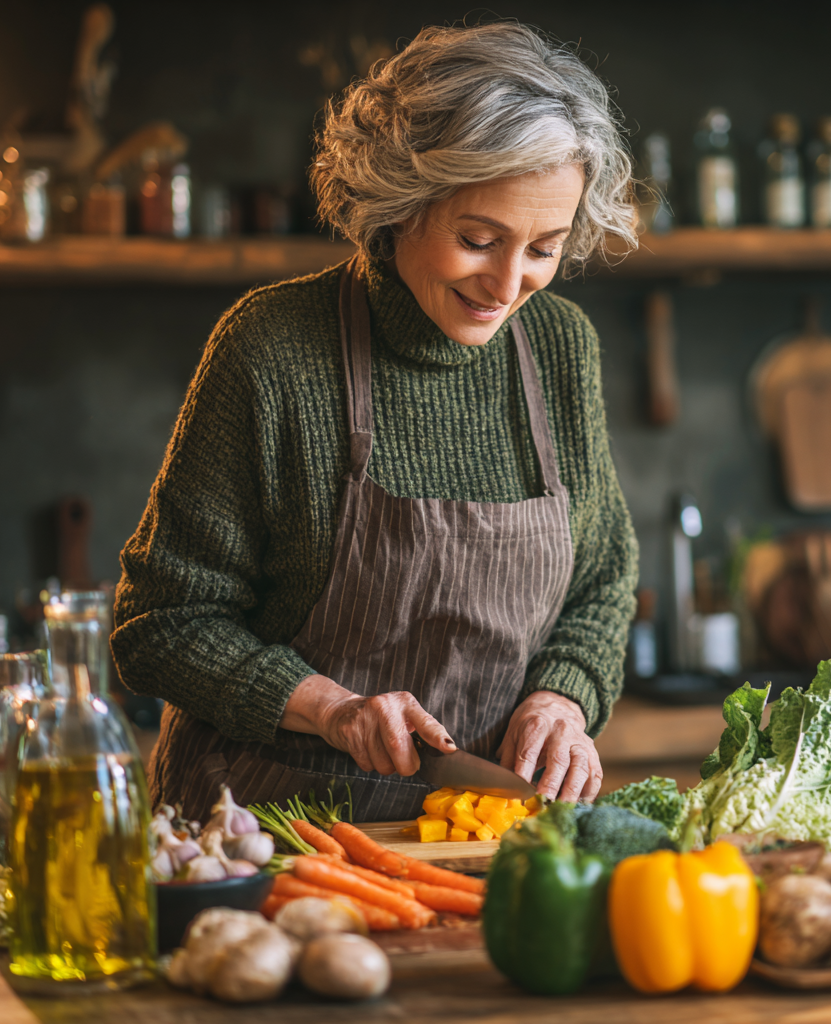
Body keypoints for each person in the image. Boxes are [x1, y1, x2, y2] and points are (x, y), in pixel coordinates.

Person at [111, 21, 639, 822]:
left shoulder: (561, 348)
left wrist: (562, 698)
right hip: (263, 836)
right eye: (479, 239)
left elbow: (601, 586)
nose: (506, 283)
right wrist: (329, 708)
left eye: (543, 248)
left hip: (475, 835)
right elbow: (160, 623)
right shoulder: (273, 347)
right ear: (401, 204)